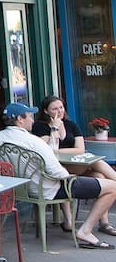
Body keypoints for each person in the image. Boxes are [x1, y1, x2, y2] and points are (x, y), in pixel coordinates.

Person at [0, 102, 116, 249]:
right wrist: (70, 175)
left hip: (21, 189)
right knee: (113, 187)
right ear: (20, 119)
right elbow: (58, 172)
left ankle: (84, 224)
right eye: (29, 117)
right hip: (51, 189)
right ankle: (85, 231)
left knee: (98, 175)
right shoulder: (34, 142)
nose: (32, 120)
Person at [33, 95, 116, 236]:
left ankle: (104, 222)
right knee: (97, 163)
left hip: (76, 165)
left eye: (61, 107)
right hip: (56, 169)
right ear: (46, 111)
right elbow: (43, 148)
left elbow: (80, 149)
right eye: (54, 109)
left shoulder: (71, 124)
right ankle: (69, 220)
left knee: (100, 175)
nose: (59, 111)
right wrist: (53, 129)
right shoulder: (40, 126)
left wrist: (57, 150)